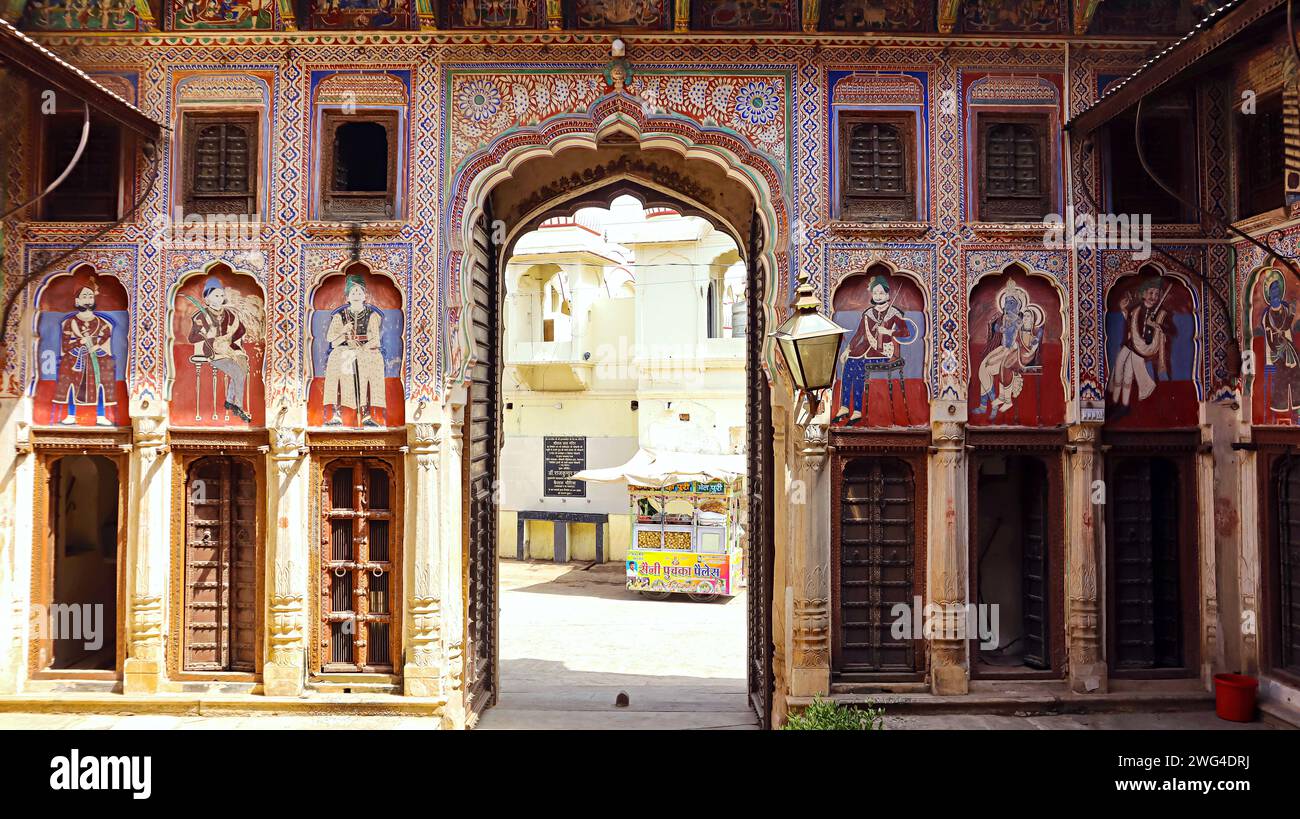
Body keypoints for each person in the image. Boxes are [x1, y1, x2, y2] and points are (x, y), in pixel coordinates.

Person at [834, 275, 911, 424]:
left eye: (881, 293)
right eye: (875, 293)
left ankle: (857, 411)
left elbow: (906, 333)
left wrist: (888, 332)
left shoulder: (894, 313)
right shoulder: (868, 314)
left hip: (886, 352)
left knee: (858, 364)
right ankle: (844, 406)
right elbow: (859, 334)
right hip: (867, 349)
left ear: (888, 295)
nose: (878, 296)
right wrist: (847, 350)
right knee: (850, 361)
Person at [323, 274, 388, 427]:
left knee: (372, 361)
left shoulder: (372, 315)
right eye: (353, 292)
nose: (357, 295)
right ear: (348, 297)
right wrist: (344, 331)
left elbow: (375, 339)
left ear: (365, 295)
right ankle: (336, 413)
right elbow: (331, 339)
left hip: (365, 350)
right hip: (345, 350)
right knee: (338, 362)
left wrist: (362, 347)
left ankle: (366, 414)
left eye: (359, 292)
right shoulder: (340, 316)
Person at [188, 276, 253, 423]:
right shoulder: (200, 316)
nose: (220, 298)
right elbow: (192, 338)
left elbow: (240, 331)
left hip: (230, 348)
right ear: (207, 298)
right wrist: (206, 335)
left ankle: (230, 400)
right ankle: (238, 406)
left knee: (242, 364)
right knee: (237, 372)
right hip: (213, 351)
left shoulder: (230, 314)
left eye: (222, 295)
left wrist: (229, 335)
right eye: (216, 295)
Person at [974, 282, 1043, 420]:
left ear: (1017, 306)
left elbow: (1026, 337)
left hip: (1013, 350)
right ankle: (986, 404)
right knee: (983, 366)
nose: (1006, 306)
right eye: (1005, 302)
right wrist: (1000, 329)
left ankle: (993, 403)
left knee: (988, 369)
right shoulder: (1004, 318)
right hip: (1003, 347)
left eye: (1010, 303)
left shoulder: (1019, 321)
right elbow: (997, 329)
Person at [1109, 277, 1175, 420]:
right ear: (1143, 294)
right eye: (1151, 293)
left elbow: (1172, 330)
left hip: (1144, 347)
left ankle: (1124, 405)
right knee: (1118, 367)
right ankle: (1114, 402)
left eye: (1157, 294)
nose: (1154, 297)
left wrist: (1156, 325)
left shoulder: (1161, 313)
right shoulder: (1137, 309)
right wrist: (1123, 309)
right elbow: (1131, 324)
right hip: (1132, 342)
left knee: (1128, 373)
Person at [54, 276, 117, 426]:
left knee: (103, 381)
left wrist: (96, 346)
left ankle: (101, 415)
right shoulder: (71, 322)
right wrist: (79, 343)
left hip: (96, 357)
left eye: (90, 296)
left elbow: (106, 336)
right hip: (75, 358)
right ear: (77, 302)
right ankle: (71, 414)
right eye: (84, 296)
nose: (87, 299)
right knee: (70, 382)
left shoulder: (101, 323)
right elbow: (65, 344)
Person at [1261, 270, 1300, 415]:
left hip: (1288, 347)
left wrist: (1290, 314)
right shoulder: (1267, 315)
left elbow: (1286, 329)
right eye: (1273, 289)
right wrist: (1273, 357)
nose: (1276, 292)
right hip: (1277, 351)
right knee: (1281, 379)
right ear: (1269, 293)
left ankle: (1297, 405)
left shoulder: (1284, 309)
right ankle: (1280, 407)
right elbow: (1278, 330)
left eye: (1278, 288)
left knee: (1297, 373)